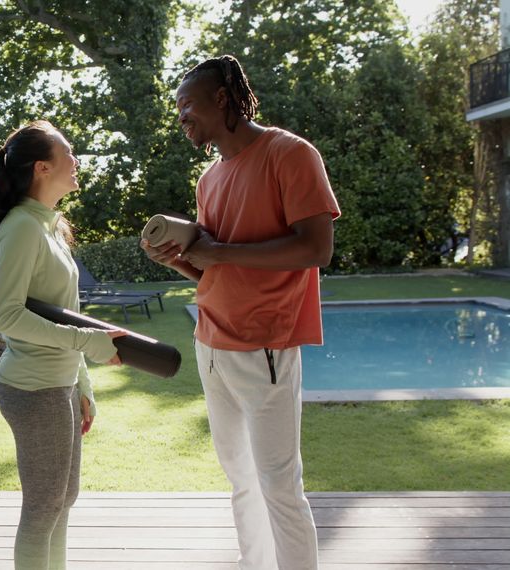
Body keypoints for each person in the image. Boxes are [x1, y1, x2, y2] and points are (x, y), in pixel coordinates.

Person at [141, 56, 340, 570]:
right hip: (211, 344)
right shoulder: (210, 180)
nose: (181, 116)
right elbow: (214, 273)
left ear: (223, 98)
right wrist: (181, 260)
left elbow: (316, 249)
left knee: (279, 484)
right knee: (241, 482)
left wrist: (220, 253)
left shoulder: (290, 154)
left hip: (265, 345)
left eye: (188, 104)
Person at [0, 120, 125, 570]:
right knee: (43, 508)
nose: (76, 162)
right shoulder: (21, 226)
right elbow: (8, 315)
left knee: (64, 499)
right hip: (32, 389)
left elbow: (63, 312)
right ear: (42, 167)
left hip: (58, 385)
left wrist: (83, 385)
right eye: (69, 153)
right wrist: (88, 344)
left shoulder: (49, 226)